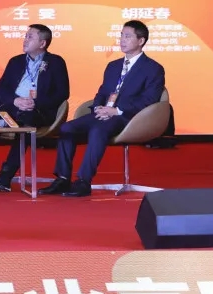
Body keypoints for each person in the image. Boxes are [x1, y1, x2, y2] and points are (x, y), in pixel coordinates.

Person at [40, 20, 166, 197]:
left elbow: (150, 100)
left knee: (98, 130)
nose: (122, 40)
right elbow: (102, 92)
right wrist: (98, 107)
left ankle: (83, 181)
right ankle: (62, 178)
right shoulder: (113, 66)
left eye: (127, 36)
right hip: (103, 114)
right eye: (121, 35)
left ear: (141, 41)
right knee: (67, 128)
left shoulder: (153, 68)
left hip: (130, 118)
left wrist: (117, 110)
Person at [0, 24, 69, 191]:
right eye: (25, 36)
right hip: (12, 106)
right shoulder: (16, 61)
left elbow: (62, 93)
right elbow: (1, 88)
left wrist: (36, 102)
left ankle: (7, 174)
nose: (25, 40)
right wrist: (15, 101)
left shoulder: (56, 62)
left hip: (38, 110)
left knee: (25, 126)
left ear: (42, 43)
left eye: (30, 37)